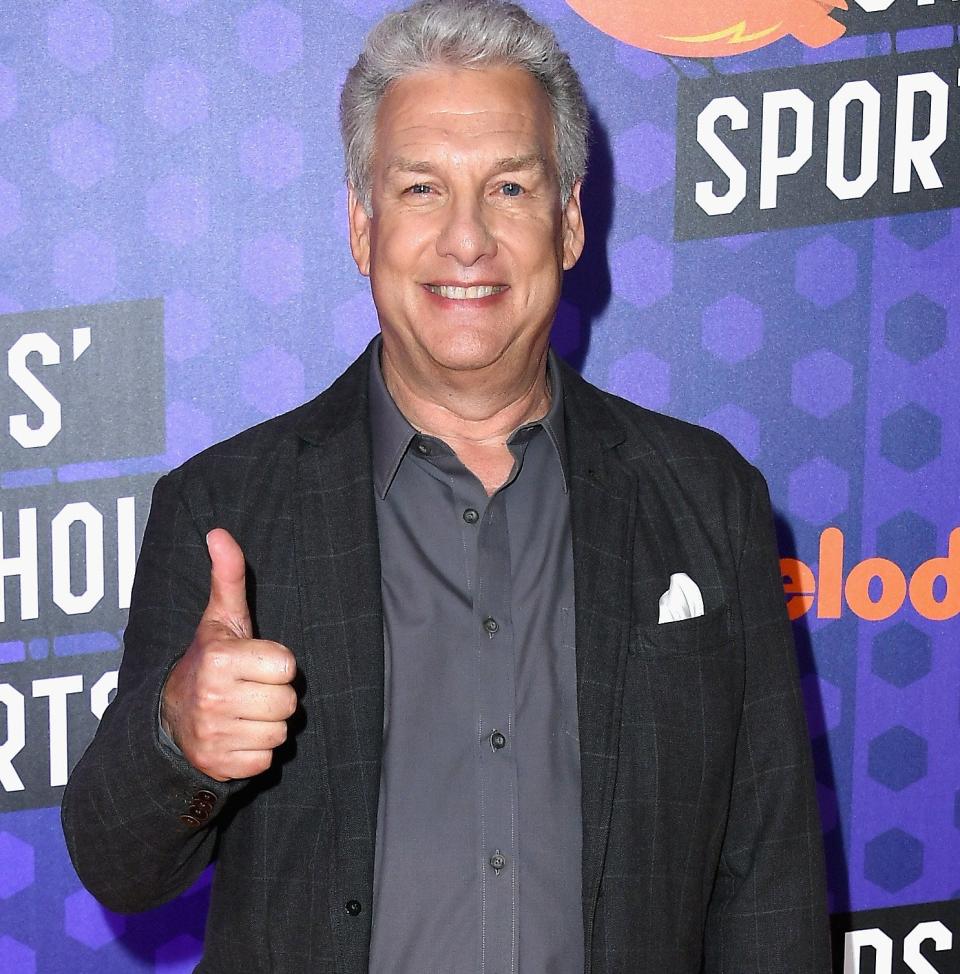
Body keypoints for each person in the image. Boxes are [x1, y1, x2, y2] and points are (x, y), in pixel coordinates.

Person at [61, 1, 831, 971]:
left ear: (568, 223)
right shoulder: (226, 507)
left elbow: (770, 881)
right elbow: (118, 863)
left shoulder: (705, 495)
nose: (466, 240)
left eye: (508, 187)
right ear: (360, 224)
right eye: (422, 187)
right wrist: (179, 736)